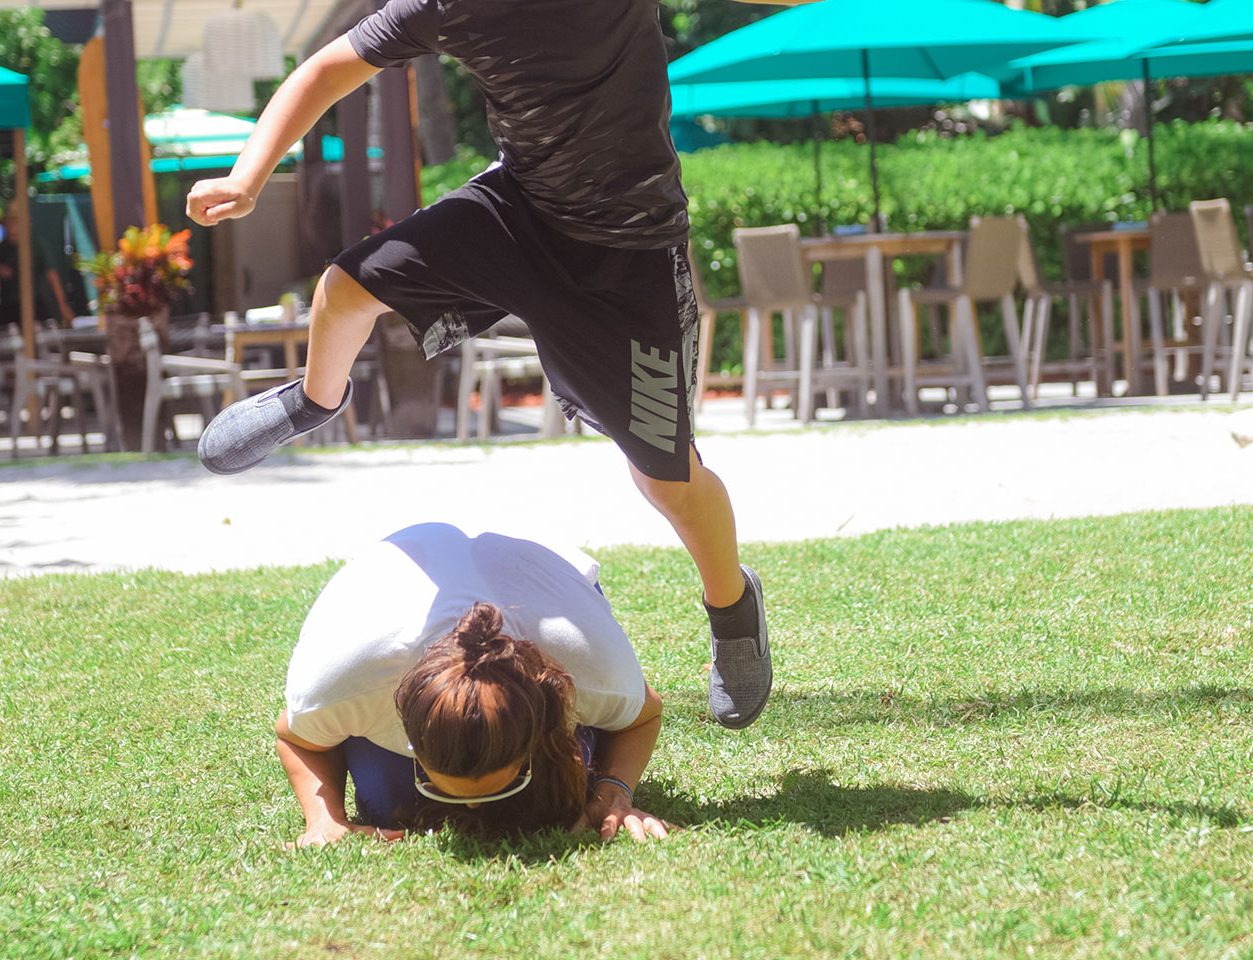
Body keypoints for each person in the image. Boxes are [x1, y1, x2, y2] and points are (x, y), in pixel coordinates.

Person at [186, 0, 810, 731]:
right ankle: (315, 400)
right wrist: (247, 178)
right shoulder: (445, 4)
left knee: (667, 478)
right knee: (345, 289)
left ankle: (733, 610)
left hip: (630, 254)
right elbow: (326, 70)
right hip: (516, 213)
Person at [277, 523, 672, 845]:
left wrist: (614, 789)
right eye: (436, 784)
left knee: (564, 791)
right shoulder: (351, 677)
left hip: (544, 570)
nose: (472, 809)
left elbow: (644, 715)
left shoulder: (585, 660)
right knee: (388, 802)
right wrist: (324, 818)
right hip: (389, 576)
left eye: (506, 781)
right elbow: (296, 737)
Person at [0, 214, 72, 329]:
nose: (12, 227)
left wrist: (63, 306)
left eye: (15, 223)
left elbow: (52, 275)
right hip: (8, 307)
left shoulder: (36, 246)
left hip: (36, 305)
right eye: (8, 223)